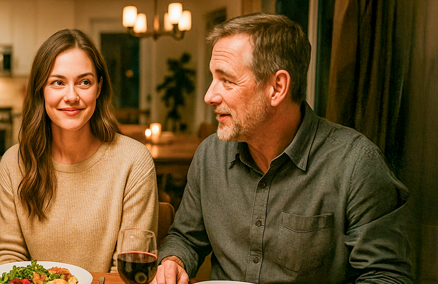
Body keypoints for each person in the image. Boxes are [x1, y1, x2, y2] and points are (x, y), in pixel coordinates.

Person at [153, 13, 412, 284]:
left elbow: (387, 276)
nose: (209, 96)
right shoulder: (210, 155)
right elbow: (185, 238)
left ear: (277, 87)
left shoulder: (356, 164)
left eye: (227, 80)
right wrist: (174, 261)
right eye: (213, 78)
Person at [0, 29, 159, 273]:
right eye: (58, 82)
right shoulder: (14, 162)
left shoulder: (133, 161)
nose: (71, 96)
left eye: (84, 82)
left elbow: (125, 271)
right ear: (41, 89)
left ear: (99, 88)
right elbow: (10, 255)